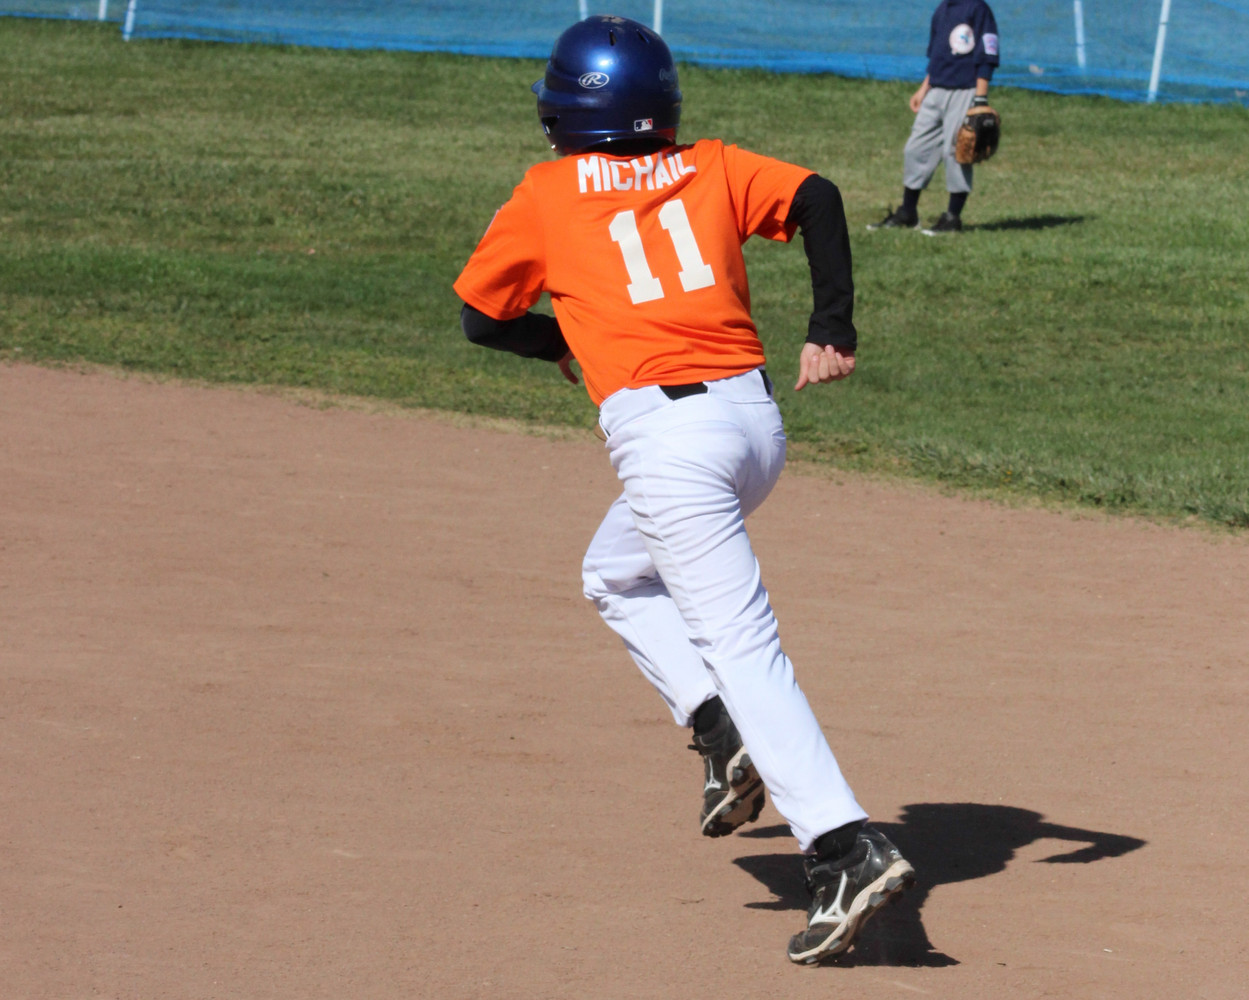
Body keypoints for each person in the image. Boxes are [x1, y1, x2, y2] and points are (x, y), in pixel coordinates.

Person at [453, 14, 914, 964]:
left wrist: (565, 341)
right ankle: (717, 727)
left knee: (742, 648)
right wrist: (831, 325)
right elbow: (818, 196)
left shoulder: (546, 193)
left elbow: (480, 319)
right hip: (750, 430)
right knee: (614, 574)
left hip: (671, 449)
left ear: (564, 114)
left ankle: (842, 844)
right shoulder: (709, 165)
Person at [868, 0, 1000, 235]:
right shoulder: (943, 10)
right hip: (936, 89)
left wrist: (980, 99)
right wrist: (923, 89)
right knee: (915, 149)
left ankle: (952, 218)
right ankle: (908, 212)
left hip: (965, 90)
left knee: (957, 151)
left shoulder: (977, 8)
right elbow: (937, 57)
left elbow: (987, 55)